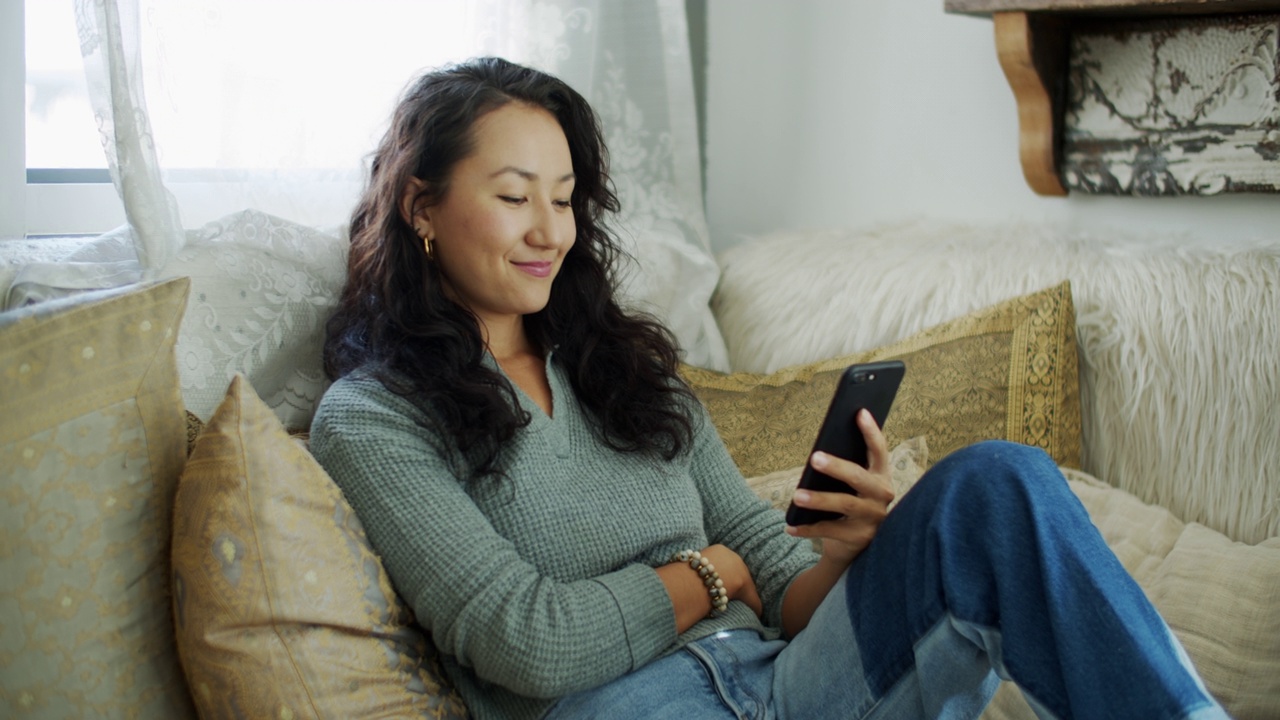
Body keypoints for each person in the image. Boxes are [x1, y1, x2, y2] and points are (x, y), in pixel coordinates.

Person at [311, 56, 1226, 720]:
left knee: (994, 485)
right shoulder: (375, 419)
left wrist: (848, 550)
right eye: (515, 197)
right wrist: (714, 574)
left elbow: (781, 586)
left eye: (565, 196)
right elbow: (530, 639)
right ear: (422, 205)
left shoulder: (625, 371)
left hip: (788, 682)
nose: (550, 228)